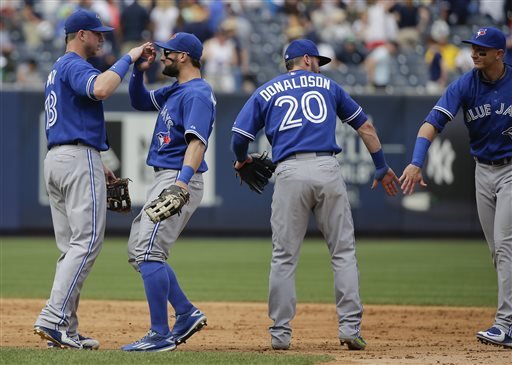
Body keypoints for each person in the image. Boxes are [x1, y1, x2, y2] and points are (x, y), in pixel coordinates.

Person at [231, 39, 400, 351]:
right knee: (343, 252)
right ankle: (350, 328)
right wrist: (381, 166)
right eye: (317, 60)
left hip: (289, 171)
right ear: (306, 59)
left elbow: (239, 137)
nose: (319, 65)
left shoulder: (267, 89)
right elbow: (366, 128)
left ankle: (280, 335)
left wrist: (241, 159)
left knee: (283, 257)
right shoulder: (329, 86)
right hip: (327, 168)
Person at [33, 9, 150, 350]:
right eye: (97, 33)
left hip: (58, 157)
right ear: (80, 34)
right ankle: (54, 317)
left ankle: (64, 329)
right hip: (74, 158)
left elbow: (75, 114)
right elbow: (100, 89)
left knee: (70, 248)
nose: (102, 38)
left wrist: (97, 161)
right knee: (86, 244)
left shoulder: (57, 69)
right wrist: (129, 57)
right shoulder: (73, 65)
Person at [400, 27, 512, 349]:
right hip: (483, 172)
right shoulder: (465, 84)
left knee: (505, 246)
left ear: (499, 54)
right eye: (473, 48)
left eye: (481, 49)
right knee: (498, 251)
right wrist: (416, 161)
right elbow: (431, 123)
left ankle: (505, 325)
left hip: (510, 170)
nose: (474, 53)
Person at [121, 32, 215, 352]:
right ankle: (186, 312)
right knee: (140, 251)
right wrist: (139, 70)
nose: (162, 56)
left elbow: (197, 143)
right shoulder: (177, 89)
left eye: (167, 52)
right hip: (165, 176)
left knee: (149, 252)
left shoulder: (197, 94)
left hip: (177, 177)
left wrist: (181, 183)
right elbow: (138, 101)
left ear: (184, 56)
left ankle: (160, 335)